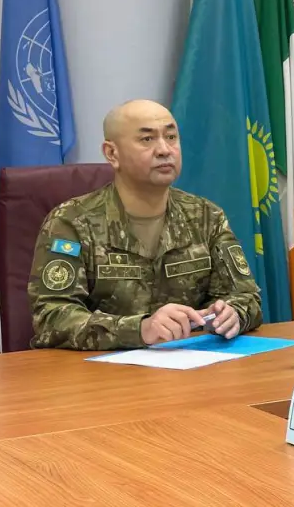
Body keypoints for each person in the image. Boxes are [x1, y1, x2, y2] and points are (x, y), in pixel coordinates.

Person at [28, 100, 263, 351]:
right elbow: (51, 316)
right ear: (112, 154)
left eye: (171, 137)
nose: (164, 150)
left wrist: (232, 314)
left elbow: (247, 297)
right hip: (100, 369)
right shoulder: (72, 222)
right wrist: (140, 329)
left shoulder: (206, 216)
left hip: (189, 362)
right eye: (147, 139)